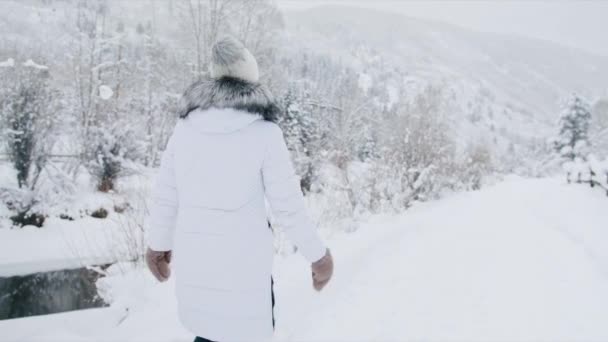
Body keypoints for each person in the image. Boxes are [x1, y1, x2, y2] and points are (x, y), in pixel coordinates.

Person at [145, 36, 334, 342]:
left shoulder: (185, 129)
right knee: (244, 330)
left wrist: (158, 245)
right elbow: (288, 206)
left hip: (196, 262)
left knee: (206, 331)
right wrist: (319, 257)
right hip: (244, 268)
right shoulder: (265, 133)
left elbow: (167, 193)